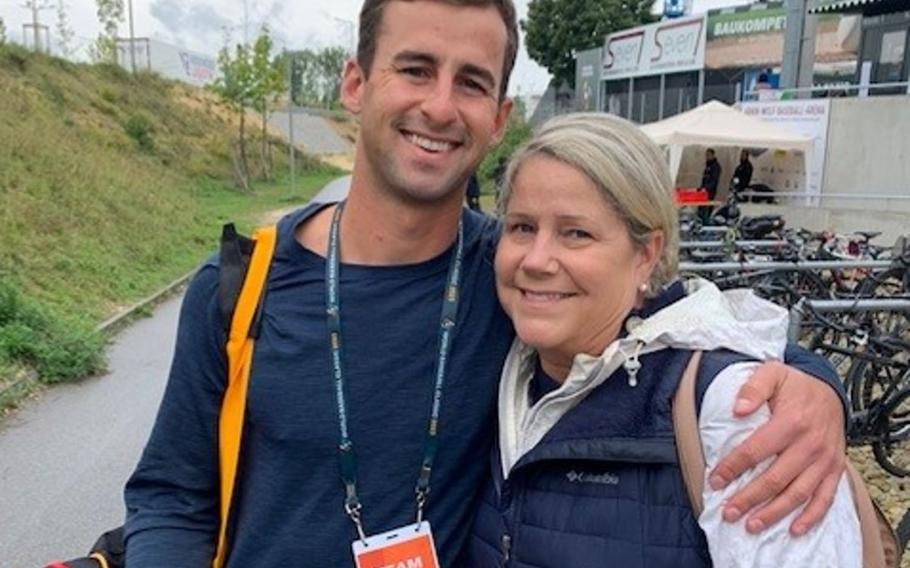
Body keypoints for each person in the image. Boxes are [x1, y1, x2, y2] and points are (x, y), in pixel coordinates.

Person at [123, 1, 848, 566]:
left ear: (499, 117)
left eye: (470, 82)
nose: (440, 106)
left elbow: (681, 319)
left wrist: (814, 385)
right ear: (355, 83)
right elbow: (172, 498)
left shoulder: (520, 278)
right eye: (414, 68)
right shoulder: (241, 286)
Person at [466, 113, 861, 567]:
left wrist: (821, 386)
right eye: (522, 227)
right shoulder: (503, 359)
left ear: (646, 255)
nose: (536, 259)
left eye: (576, 233)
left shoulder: (735, 415)